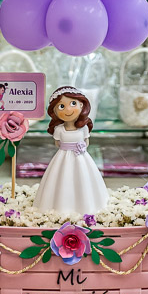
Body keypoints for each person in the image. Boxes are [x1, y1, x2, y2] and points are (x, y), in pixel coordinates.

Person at [33, 87, 108, 215]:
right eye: (61, 106)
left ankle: (86, 204)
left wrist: (80, 149)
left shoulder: (83, 128)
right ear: (54, 111)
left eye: (73, 104)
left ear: (81, 105)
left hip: (81, 157)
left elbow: (86, 142)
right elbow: (58, 143)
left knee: (83, 178)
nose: (68, 110)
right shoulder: (59, 129)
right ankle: (60, 205)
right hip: (62, 157)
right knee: (61, 179)